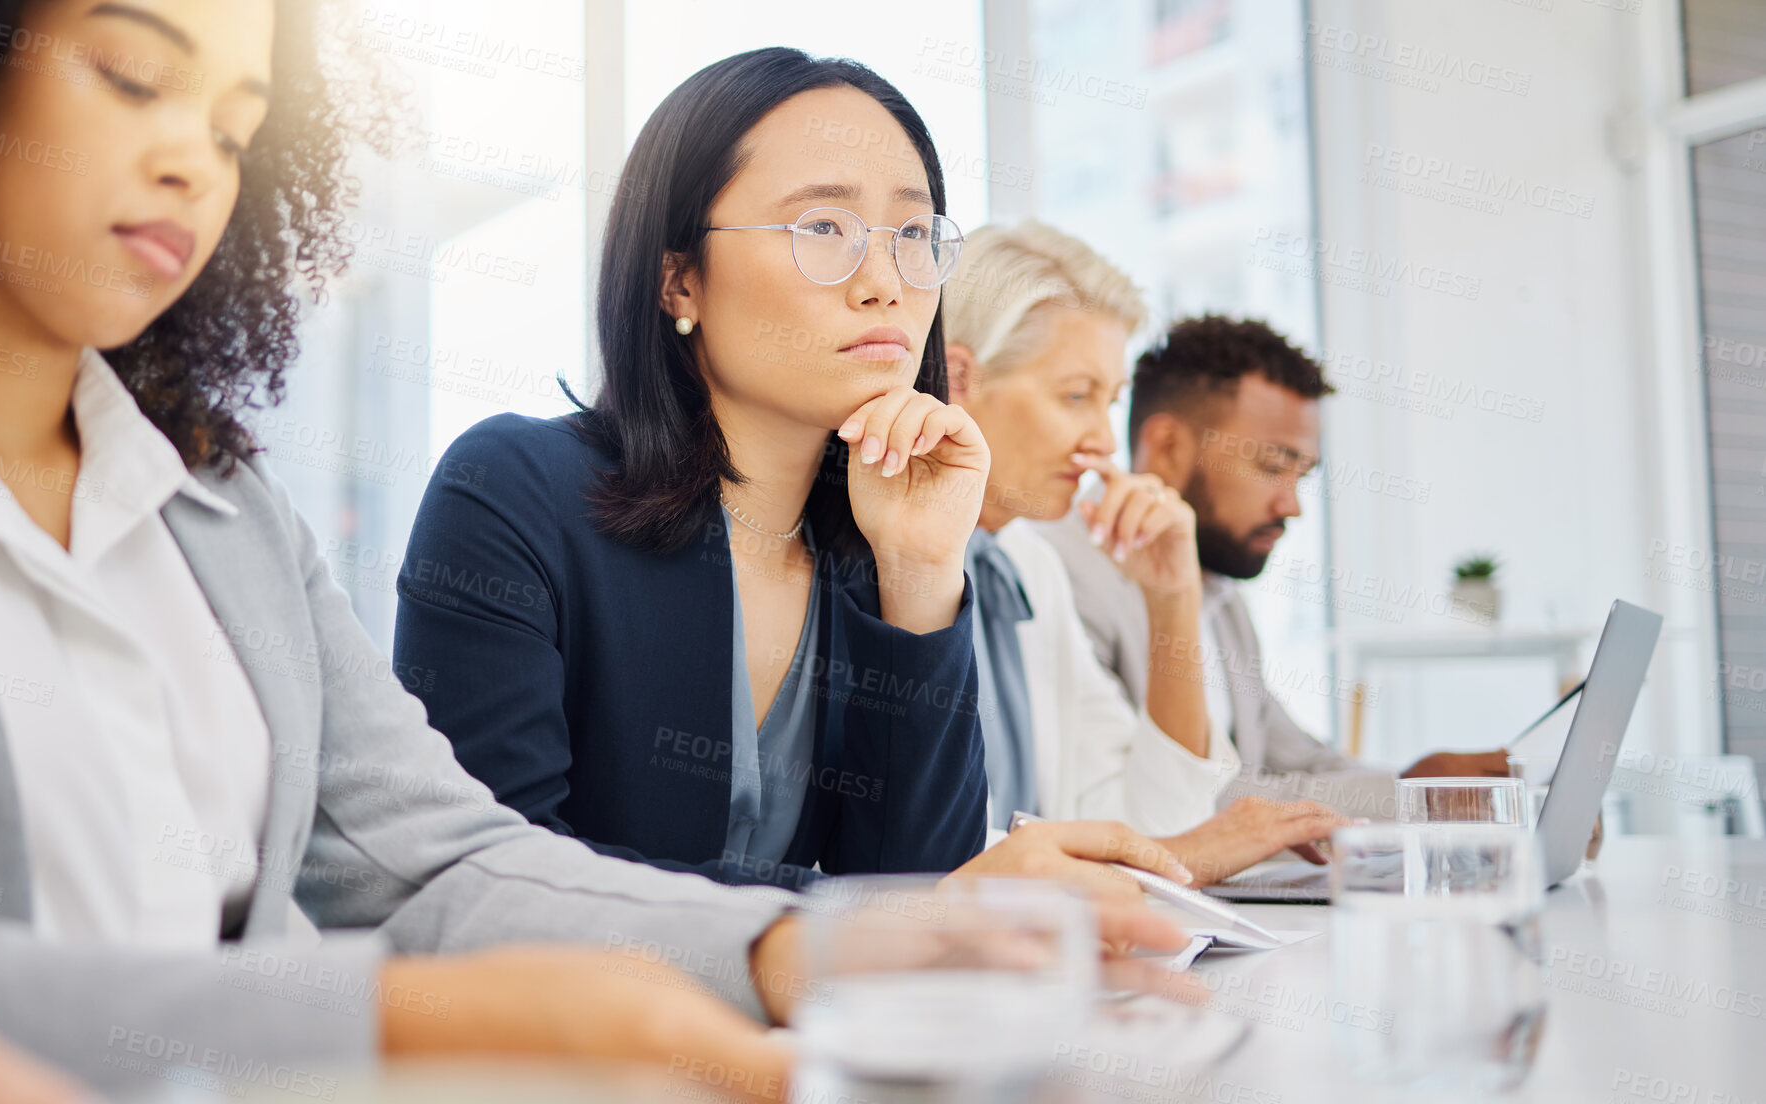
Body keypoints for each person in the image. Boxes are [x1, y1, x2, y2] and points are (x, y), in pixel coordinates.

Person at [0, 7, 1189, 1098]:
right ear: (677, 277)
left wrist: (811, 937)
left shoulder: (218, 507)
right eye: (129, 73)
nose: (191, 164)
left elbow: (434, 865)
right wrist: (473, 1011)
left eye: (236, 130)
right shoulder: (517, 488)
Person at [392, 49, 1241, 900]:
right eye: (823, 229)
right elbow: (497, 888)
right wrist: (883, 912)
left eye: (911, 236)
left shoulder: (870, 545)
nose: (884, 284)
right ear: (677, 278)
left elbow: (917, 893)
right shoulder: (511, 494)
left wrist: (918, 571)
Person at [938, 222, 1345, 883]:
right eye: (1075, 396)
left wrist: (1173, 601)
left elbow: (1149, 825)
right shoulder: (886, 563)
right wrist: (1179, 856)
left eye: (1111, 400)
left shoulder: (1023, 568)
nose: (1103, 441)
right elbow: (931, 866)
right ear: (959, 379)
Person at [1039, 315, 1510, 821]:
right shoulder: (1064, 580)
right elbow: (1179, 798)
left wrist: (1432, 782)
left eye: (1302, 474)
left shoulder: (1221, 595)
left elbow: (1300, 761)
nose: (1293, 506)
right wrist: (1417, 799)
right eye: (1271, 467)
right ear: (1168, 448)